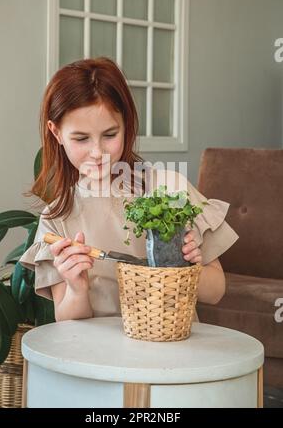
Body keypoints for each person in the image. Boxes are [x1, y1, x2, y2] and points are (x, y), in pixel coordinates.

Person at [19, 57, 239, 322]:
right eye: (81, 138)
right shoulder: (56, 219)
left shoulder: (169, 189)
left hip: (171, 350)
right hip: (101, 358)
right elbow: (67, 323)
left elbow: (216, 291)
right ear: (56, 134)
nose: (97, 152)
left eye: (110, 135)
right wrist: (77, 288)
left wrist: (187, 268)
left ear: (127, 125)